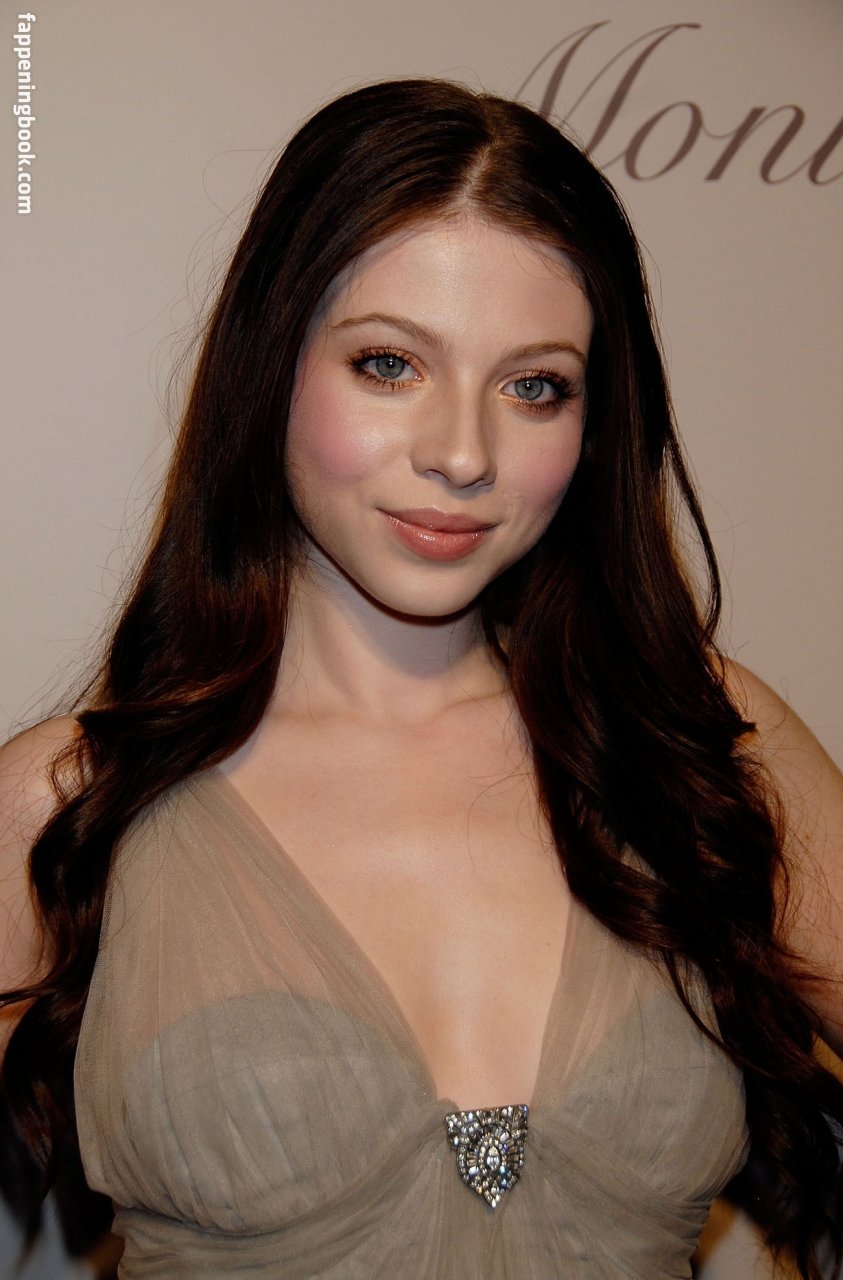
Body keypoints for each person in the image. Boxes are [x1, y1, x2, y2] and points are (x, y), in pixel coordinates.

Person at [1, 77, 841, 1279]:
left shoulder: (700, 735)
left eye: (535, 385)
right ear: (272, 365)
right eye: (390, 363)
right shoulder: (69, 799)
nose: (461, 452)